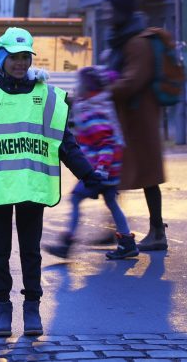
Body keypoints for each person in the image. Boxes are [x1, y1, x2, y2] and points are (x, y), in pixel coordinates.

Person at [0, 27, 100, 337]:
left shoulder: (46, 96)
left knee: (31, 252)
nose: (20, 63)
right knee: (0, 251)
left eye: (25, 57)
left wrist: (88, 175)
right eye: (14, 57)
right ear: (2, 58)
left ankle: (32, 308)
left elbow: (65, 143)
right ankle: (2, 308)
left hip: (31, 188)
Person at [44, 66, 139, 260]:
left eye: (79, 84)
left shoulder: (92, 112)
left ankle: (67, 243)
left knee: (76, 199)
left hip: (98, 171)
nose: (77, 88)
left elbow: (106, 143)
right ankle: (127, 242)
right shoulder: (98, 106)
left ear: (87, 86)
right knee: (112, 202)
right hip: (107, 171)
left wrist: (102, 168)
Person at [103, 0, 168, 251]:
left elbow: (133, 80)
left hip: (141, 119)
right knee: (120, 172)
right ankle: (114, 226)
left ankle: (157, 231)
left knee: (147, 177)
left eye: (111, 10)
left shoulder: (137, 42)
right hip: (128, 118)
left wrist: (104, 88)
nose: (108, 15)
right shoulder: (123, 39)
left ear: (123, 11)